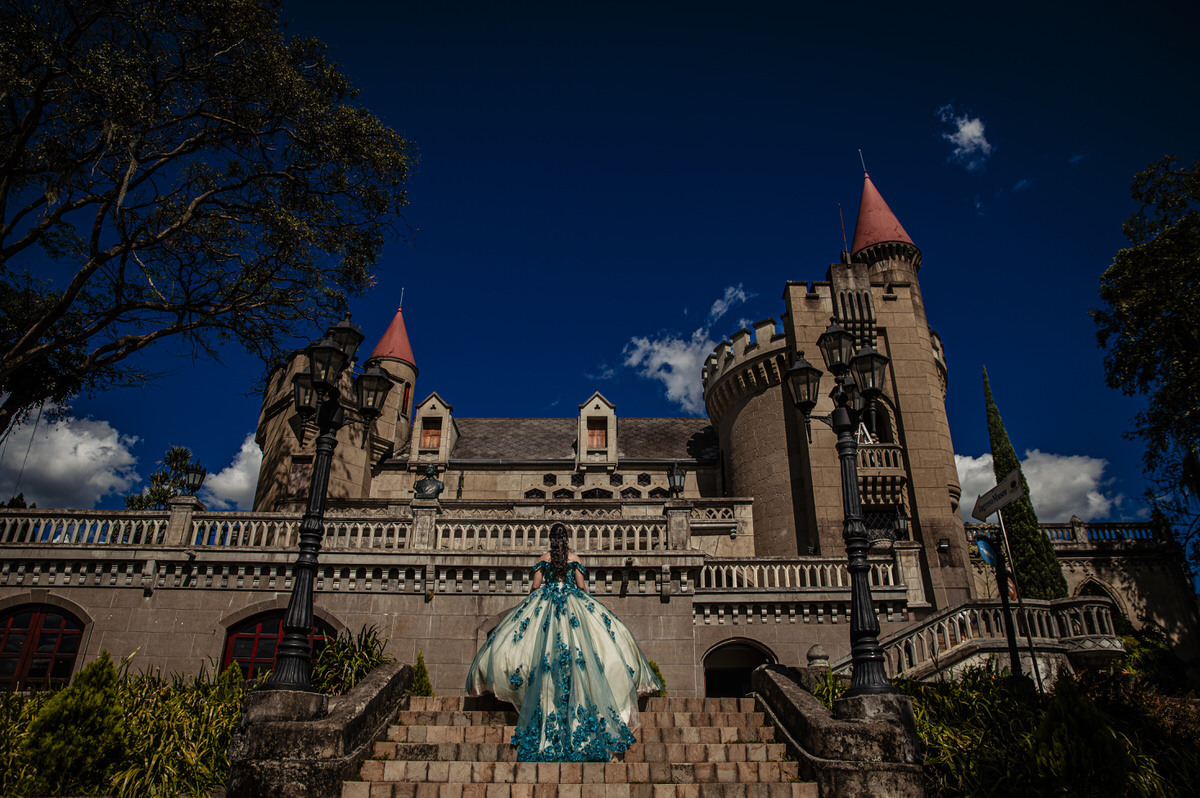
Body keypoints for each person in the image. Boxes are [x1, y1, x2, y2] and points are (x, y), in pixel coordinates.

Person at [464, 523, 661, 762]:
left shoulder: (543, 558)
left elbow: (535, 586)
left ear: (550, 540)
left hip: (546, 604)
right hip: (573, 604)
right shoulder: (574, 558)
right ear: (566, 539)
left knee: (533, 648)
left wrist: (534, 600)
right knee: (591, 646)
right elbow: (581, 586)